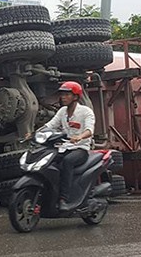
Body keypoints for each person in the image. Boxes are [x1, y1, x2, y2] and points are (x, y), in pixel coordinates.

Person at [42, 81, 95, 211]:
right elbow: (50, 125)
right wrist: (34, 133)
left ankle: (64, 199)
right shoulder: (62, 111)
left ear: (76, 97)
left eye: (67, 95)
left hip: (80, 149)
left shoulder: (85, 112)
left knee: (67, 162)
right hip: (63, 147)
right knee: (47, 161)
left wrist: (80, 137)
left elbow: (90, 130)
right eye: (62, 94)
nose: (63, 97)